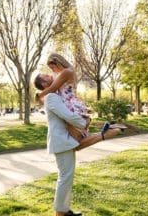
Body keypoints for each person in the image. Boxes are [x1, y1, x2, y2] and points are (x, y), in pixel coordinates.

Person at [34, 74, 124, 216]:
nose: (51, 75)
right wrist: (84, 122)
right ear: (44, 84)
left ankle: (64, 210)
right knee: (65, 177)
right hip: (60, 142)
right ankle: (60, 213)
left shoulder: (57, 95)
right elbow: (68, 116)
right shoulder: (51, 97)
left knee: (67, 177)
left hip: (64, 141)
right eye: (46, 76)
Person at [35, 53, 90, 137]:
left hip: (69, 102)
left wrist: (39, 95)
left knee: (77, 132)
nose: (52, 71)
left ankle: (102, 134)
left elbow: (52, 88)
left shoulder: (66, 72)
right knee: (76, 133)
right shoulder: (64, 72)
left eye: (52, 67)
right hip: (67, 100)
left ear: (58, 63)